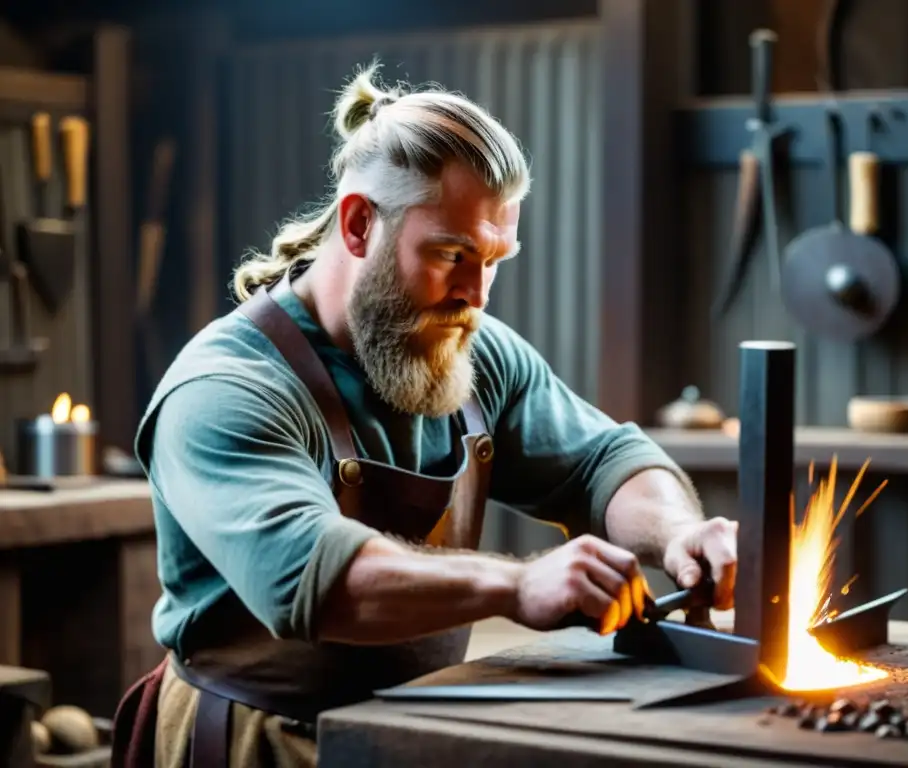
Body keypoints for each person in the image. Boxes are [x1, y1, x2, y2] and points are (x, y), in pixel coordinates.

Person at [110, 62, 739, 768]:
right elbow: (315, 580)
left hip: (411, 726)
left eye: (495, 259)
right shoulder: (225, 387)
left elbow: (602, 462)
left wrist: (679, 532)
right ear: (357, 225)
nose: (476, 293)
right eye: (451, 254)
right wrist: (518, 584)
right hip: (255, 741)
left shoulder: (471, 349)